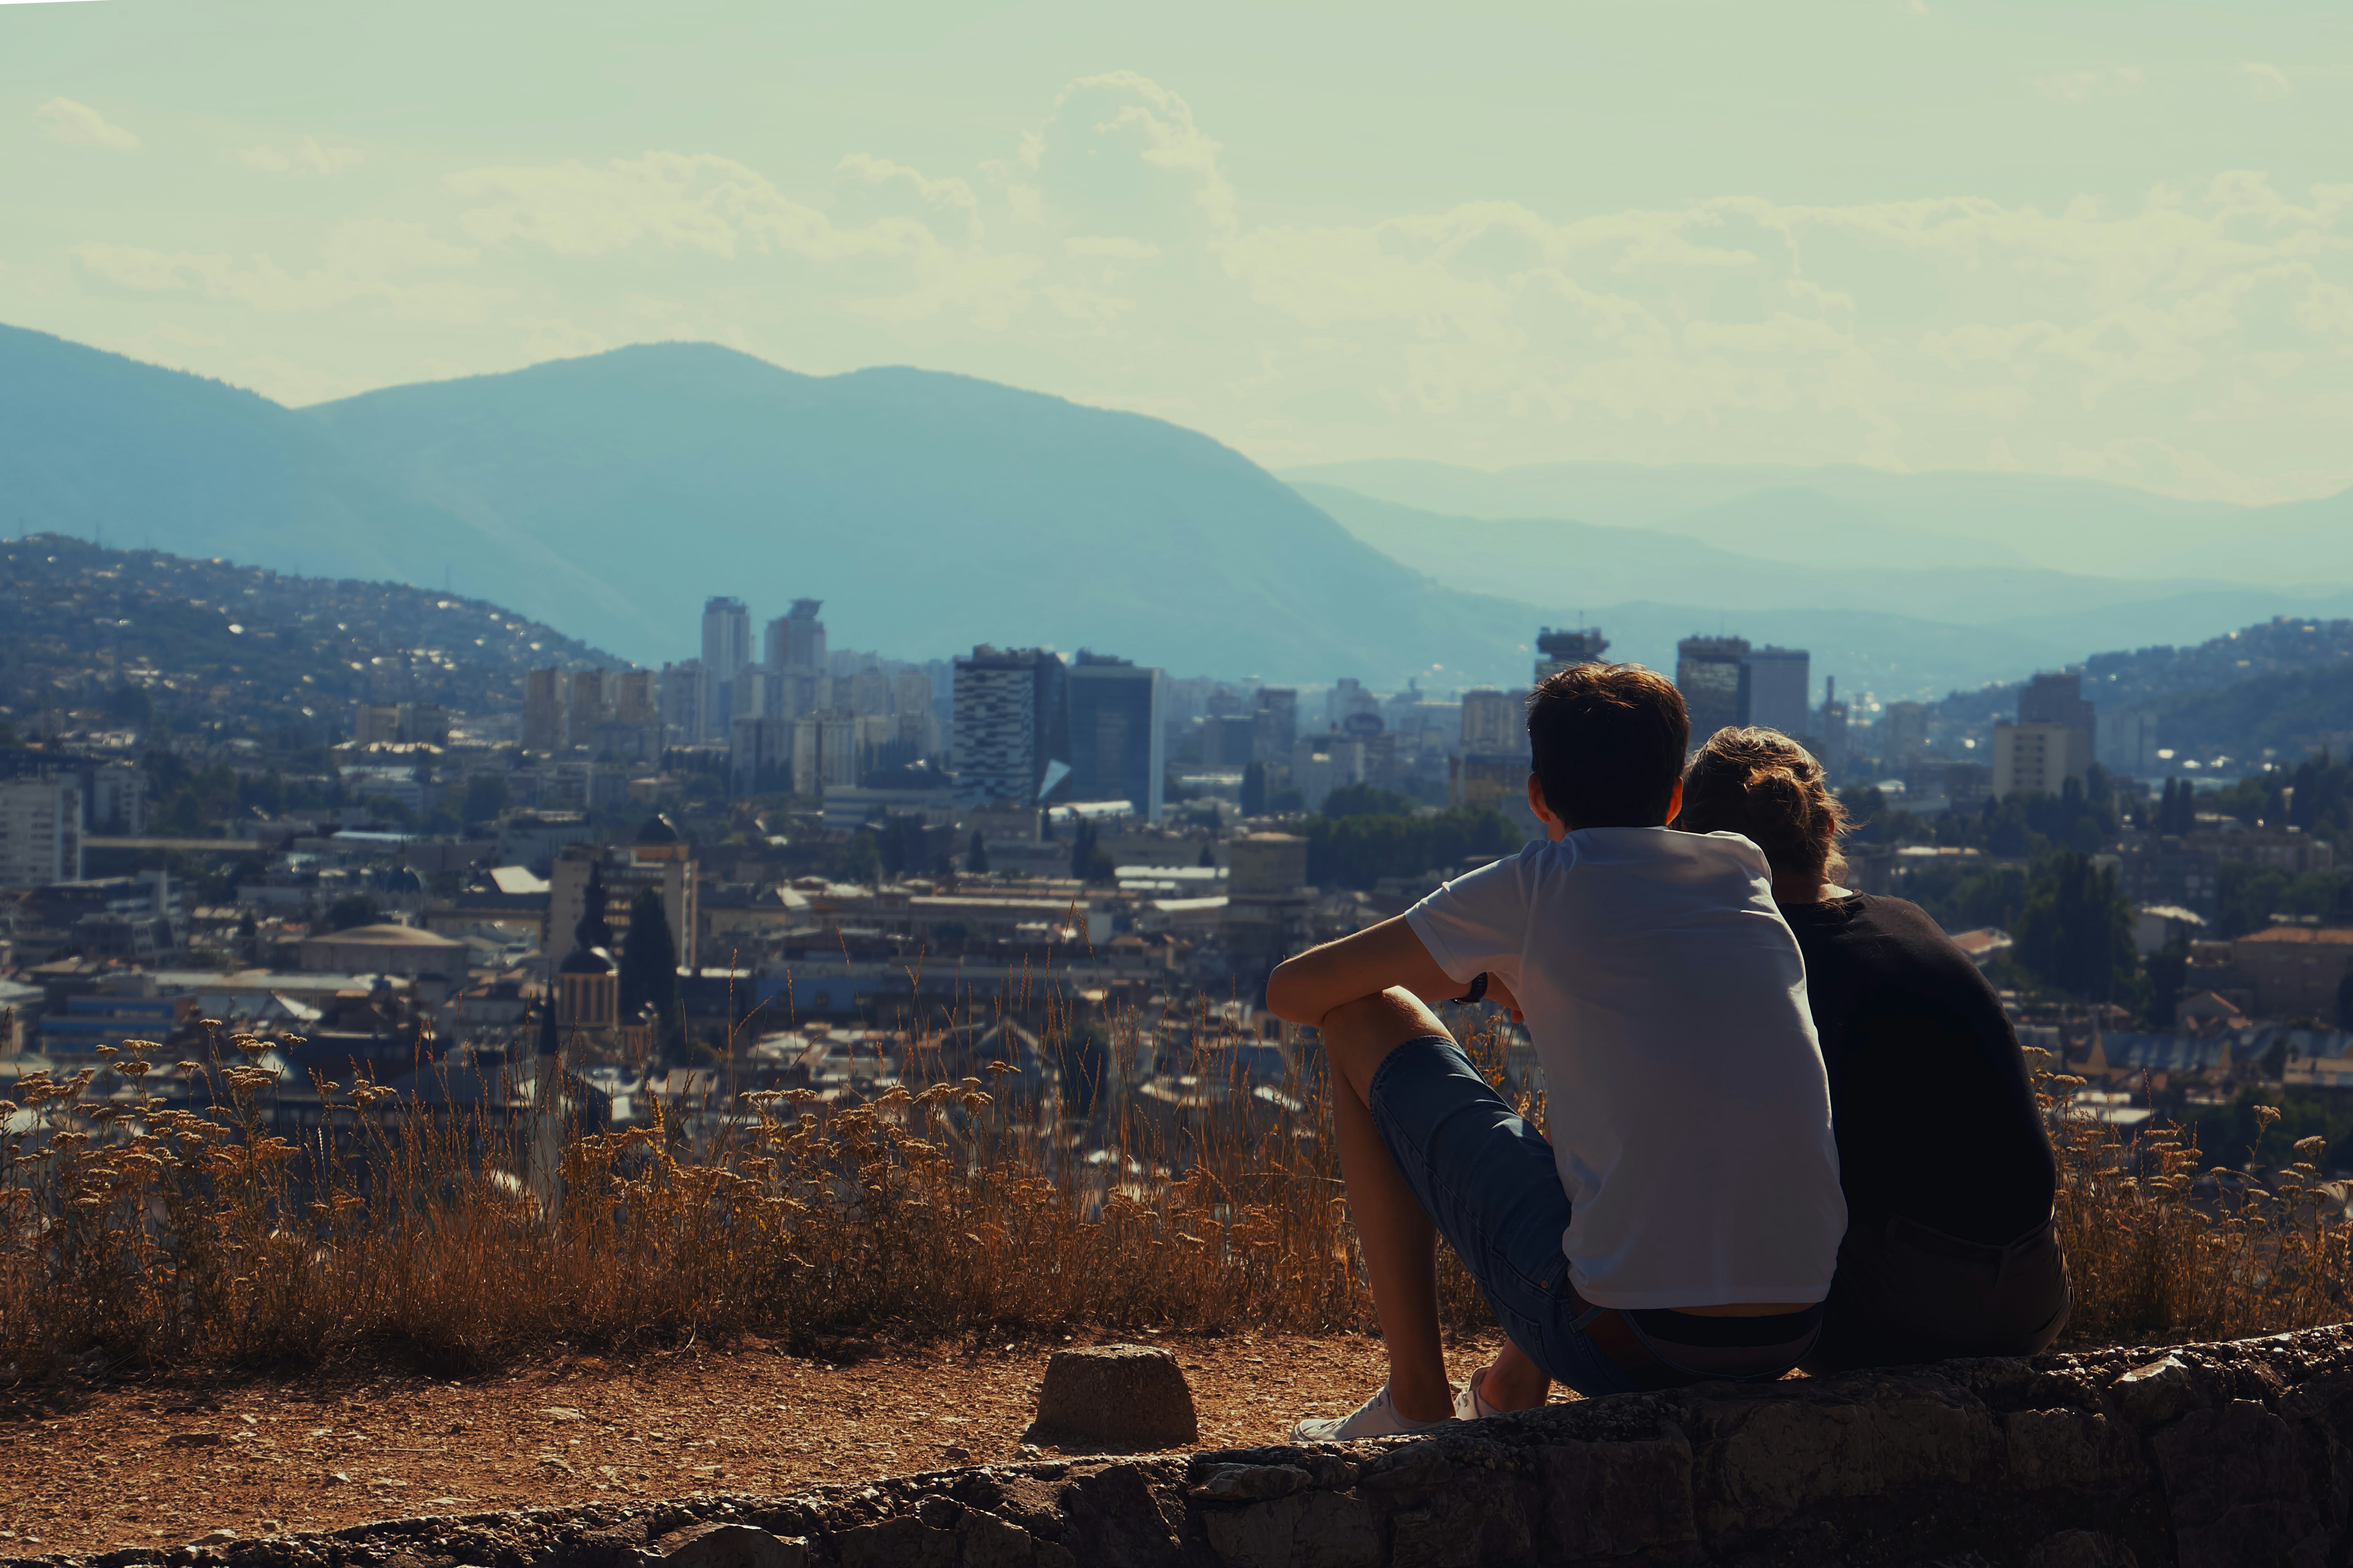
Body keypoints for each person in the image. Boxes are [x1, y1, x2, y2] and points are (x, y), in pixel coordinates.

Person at [1264, 665, 1847, 1438]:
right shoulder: (1742, 867)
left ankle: (1413, 1400)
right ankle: (1504, 1391)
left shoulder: (1535, 887)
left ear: (1537, 793)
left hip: (1624, 1345)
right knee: (1618, 1137)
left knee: (1360, 1019)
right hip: (1795, 1328)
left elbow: (1295, 991)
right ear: (1674, 798)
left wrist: (1478, 979)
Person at [1674, 726, 2068, 1371]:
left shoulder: (1756, 963)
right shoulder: (1905, 918)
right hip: (2036, 1297)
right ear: (1825, 828)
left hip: (1905, 1311)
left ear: (1697, 854)